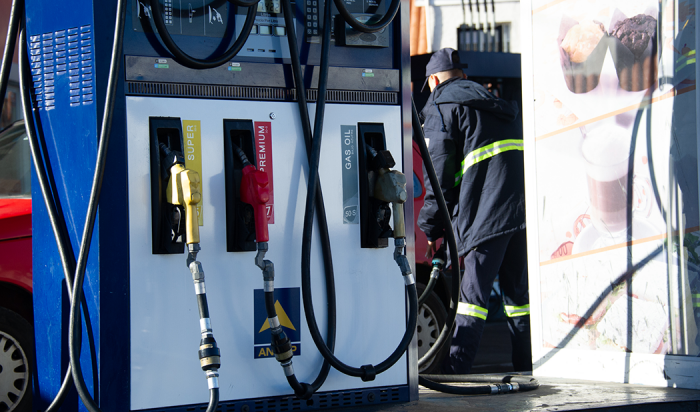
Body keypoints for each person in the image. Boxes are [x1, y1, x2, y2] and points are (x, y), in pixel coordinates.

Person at [417, 48, 531, 374]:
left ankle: (457, 373)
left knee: (472, 298)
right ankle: (525, 368)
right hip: (520, 212)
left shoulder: (440, 105)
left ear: (434, 80)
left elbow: (438, 177)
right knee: (517, 299)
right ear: (462, 75)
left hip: (488, 214)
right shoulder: (495, 103)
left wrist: (430, 227)